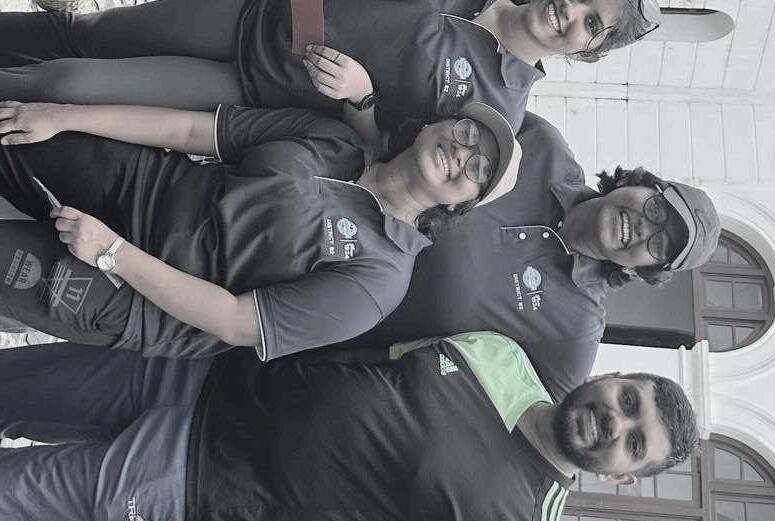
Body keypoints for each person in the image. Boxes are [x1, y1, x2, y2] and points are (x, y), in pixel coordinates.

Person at [0, 331, 699, 521]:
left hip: (193, 484)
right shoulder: (504, 353)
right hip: (197, 376)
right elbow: (363, 351)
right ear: (612, 376)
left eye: (634, 443)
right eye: (627, 401)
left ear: (623, 477)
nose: (615, 423)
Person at [0, 95, 520, 357]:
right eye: (466, 132)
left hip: (140, 296)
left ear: (460, 206)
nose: (462, 152)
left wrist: (113, 253)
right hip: (144, 185)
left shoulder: (379, 280)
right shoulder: (336, 140)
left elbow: (234, 321)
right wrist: (62, 115)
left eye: (478, 169)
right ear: (436, 122)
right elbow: (194, 130)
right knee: (14, 127)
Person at [0, 0, 662, 134]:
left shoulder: (499, 111)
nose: (571, 10)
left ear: (589, 52)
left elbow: (391, 156)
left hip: (253, 89)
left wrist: (362, 99)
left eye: (591, 25)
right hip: (256, 9)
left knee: (68, 84)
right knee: (89, 32)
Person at [338, 111, 725, 397]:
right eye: (657, 211)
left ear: (644, 270)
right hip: (330, 202)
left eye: (658, 245)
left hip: (331, 326)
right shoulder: (540, 146)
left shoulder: (574, 332)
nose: (644, 228)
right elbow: (429, 122)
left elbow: (533, 434)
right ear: (642, 184)